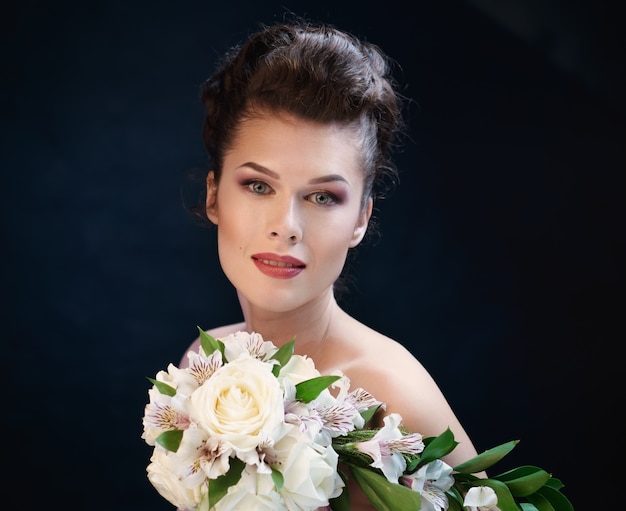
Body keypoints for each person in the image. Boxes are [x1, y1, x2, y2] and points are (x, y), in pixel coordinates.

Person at [179, 17, 482, 510]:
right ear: (214, 196)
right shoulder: (204, 363)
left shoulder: (389, 395)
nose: (287, 225)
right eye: (259, 186)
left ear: (361, 218)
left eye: (323, 196)